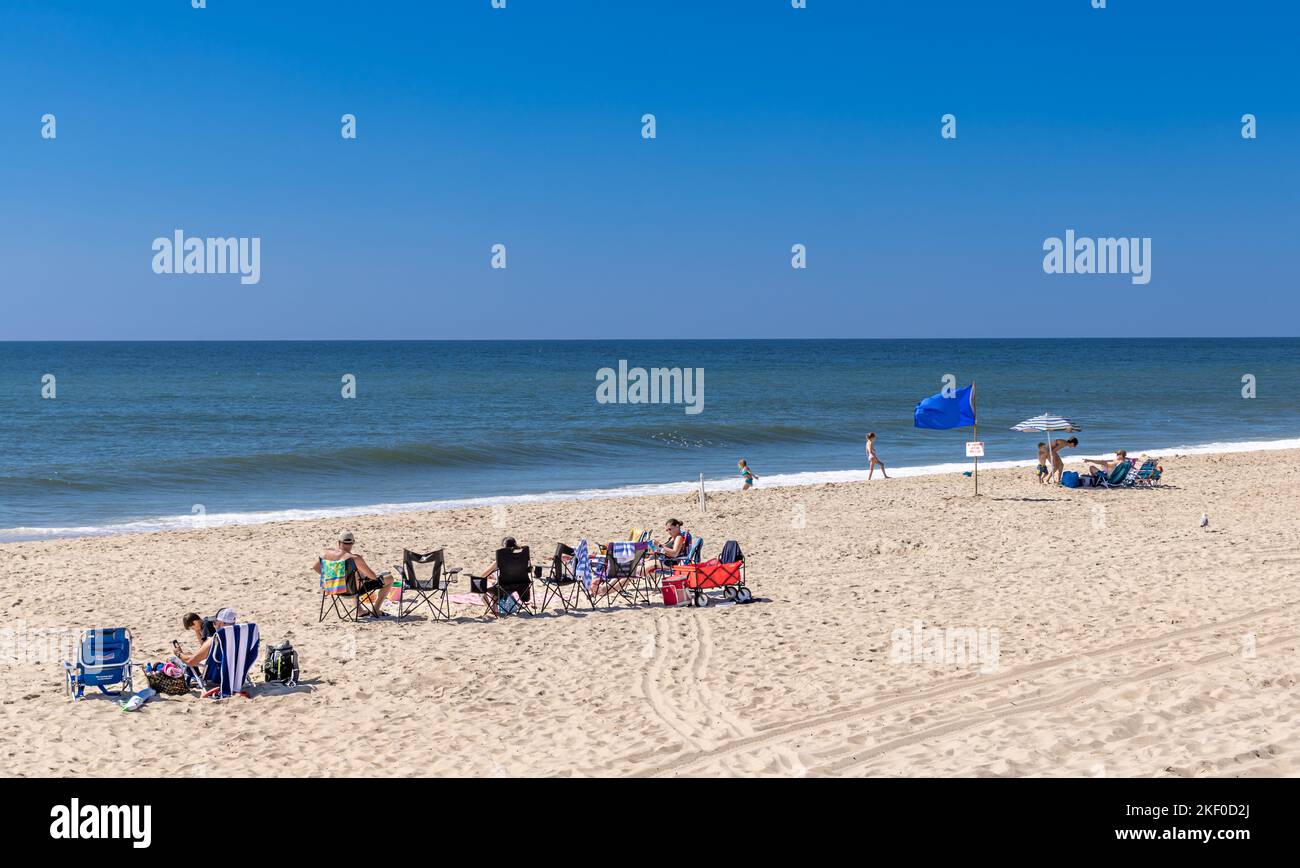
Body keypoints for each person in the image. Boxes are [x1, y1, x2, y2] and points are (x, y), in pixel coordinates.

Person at [313, 531, 393, 617]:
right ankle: (376, 610)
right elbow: (373, 577)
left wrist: (332, 578)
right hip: (350, 591)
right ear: (353, 543)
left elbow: (315, 567)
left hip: (333, 588)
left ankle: (360, 610)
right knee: (389, 578)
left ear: (339, 542)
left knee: (354, 576)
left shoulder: (327, 554)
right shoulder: (355, 558)